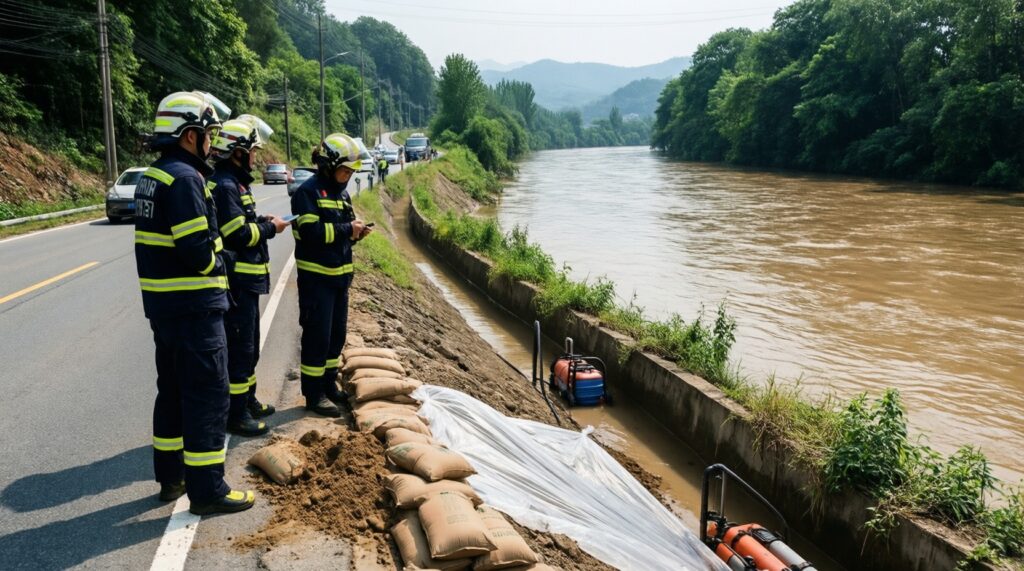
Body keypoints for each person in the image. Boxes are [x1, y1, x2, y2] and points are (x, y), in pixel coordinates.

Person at [134, 91, 255, 515]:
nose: (212, 143)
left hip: (166, 311)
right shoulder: (185, 180)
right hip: (195, 310)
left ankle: (171, 477)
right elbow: (199, 254)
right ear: (190, 136)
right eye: (208, 134)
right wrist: (225, 254)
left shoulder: (154, 175)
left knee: (171, 393)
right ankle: (207, 491)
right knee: (208, 397)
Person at [209, 114, 289, 437]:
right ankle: (236, 414)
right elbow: (237, 234)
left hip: (247, 283)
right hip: (238, 283)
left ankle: (249, 400)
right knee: (241, 349)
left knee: (250, 346)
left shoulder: (235, 183)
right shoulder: (226, 185)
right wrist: (271, 227)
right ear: (237, 152)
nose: (256, 157)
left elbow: (242, 221)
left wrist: (260, 218)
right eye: (252, 151)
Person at [291, 133, 373, 417]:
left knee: (336, 337)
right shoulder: (307, 193)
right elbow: (311, 234)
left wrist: (356, 234)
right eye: (344, 170)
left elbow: (341, 237)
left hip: (339, 281)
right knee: (317, 338)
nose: (348, 176)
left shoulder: (342, 194)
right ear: (328, 165)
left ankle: (328, 386)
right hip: (317, 282)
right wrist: (346, 230)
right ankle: (313, 396)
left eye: (351, 172)